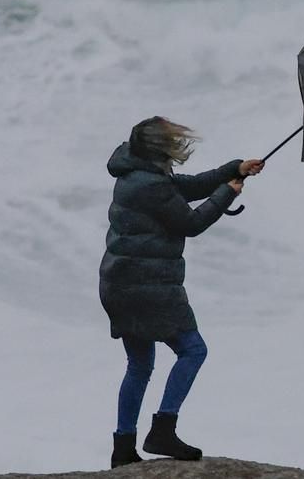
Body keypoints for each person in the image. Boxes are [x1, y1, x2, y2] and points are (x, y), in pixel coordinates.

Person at [99, 116, 264, 468]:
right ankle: (163, 429)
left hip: (120, 283)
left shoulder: (136, 170)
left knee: (139, 364)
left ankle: (123, 447)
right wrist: (227, 193)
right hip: (148, 285)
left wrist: (235, 169)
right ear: (161, 149)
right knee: (193, 350)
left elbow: (184, 187)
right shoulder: (150, 184)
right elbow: (190, 223)